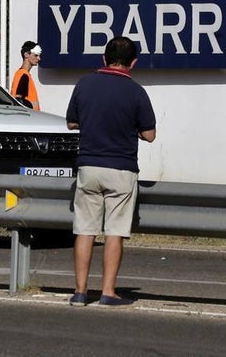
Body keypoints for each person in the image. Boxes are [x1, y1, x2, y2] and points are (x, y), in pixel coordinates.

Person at [66, 35, 157, 307]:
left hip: (89, 165)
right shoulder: (137, 92)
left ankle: (80, 292)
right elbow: (149, 135)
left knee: (85, 230)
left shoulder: (84, 84)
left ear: (104, 59)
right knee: (114, 231)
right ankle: (108, 292)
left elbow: (72, 123)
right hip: (120, 168)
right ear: (133, 63)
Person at [10, 40, 42, 110]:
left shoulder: (21, 73)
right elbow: (18, 100)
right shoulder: (24, 75)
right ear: (26, 55)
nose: (39, 58)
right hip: (29, 117)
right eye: (36, 55)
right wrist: (31, 106)